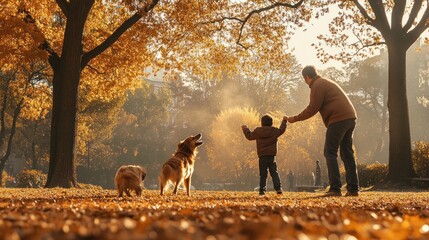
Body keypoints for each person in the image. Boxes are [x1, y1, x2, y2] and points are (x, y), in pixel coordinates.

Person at [287, 65, 359, 197]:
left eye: (304, 79)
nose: (305, 82)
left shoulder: (317, 85)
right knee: (347, 154)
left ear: (307, 77)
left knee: (329, 152)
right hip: (350, 117)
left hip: (338, 119)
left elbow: (313, 108)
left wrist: (294, 119)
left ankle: (335, 188)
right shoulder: (325, 82)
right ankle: (353, 189)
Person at [242, 114, 287, 196]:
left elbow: (249, 136)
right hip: (271, 155)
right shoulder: (274, 131)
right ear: (271, 123)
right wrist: (284, 121)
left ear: (262, 123)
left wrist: (245, 128)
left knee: (263, 174)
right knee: (274, 173)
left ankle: (262, 191)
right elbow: (282, 130)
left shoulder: (258, 131)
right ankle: (278, 189)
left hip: (262, 156)